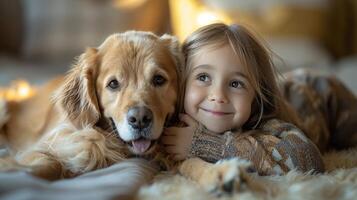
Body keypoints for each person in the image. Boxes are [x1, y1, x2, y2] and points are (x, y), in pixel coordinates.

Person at [161, 23, 326, 175]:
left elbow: (310, 162)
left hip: (318, 93)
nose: (218, 96)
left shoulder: (267, 123)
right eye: (203, 77)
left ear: (256, 96)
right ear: (182, 81)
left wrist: (204, 144)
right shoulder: (172, 116)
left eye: (235, 83)